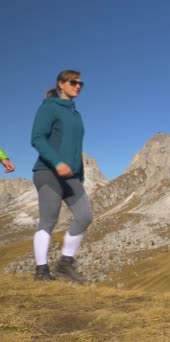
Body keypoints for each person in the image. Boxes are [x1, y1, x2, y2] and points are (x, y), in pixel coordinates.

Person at [30, 70, 93, 282]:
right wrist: (57, 162)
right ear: (61, 84)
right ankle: (41, 271)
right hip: (48, 171)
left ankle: (65, 263)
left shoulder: (76, 114)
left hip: (71, 176)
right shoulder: (49, 107)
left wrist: (80, 177)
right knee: (48, 220)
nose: (78, 86)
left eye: (80, 83)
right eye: (73, 82)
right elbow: (37, 138)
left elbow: (76, 148)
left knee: (85, 216)